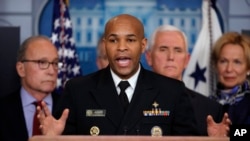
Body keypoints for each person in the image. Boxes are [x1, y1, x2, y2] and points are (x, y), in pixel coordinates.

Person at [38, 14, 197, 136]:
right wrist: (53, 139)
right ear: (105, 45)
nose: (122, 47)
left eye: (130, 40)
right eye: (113, 40)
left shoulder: (172, 91)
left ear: (143, 45)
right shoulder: (77, 90)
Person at [145, 24, 230, 136]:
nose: (171, 57)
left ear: (186, 60)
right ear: (149, 57)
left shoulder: (211, 109)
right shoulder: (131, 103)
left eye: (178, 50)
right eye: (163, 49)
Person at [0, 35, 62, 141]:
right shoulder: (2, 109)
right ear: (21, 69)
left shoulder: (70, 109)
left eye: (55, 63)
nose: (52, 71)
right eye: (42, 62)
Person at [210, 32, 250, 125]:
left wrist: (228, 134)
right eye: (223, 61)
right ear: (216, 65)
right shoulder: (205, 103)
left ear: (248, 68)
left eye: (237, 62)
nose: (229, 69)